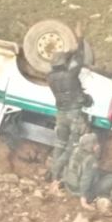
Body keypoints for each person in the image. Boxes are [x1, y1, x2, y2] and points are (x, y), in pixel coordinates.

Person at [46, 42, 89, 182]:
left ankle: (53, 175)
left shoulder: (50, 77)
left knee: (59, 144)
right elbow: (80, 59)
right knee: (73, 147)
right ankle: (64, 175)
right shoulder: (70, 75)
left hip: (60, 114)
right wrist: (79, 41)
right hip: (74, 113)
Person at [62, 133, 112, 206]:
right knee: (110, 180)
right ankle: (99, 196)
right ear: (90, 146)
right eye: (95, 143)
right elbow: (86, 180)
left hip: (70, 186)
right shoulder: (91, 160)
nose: (97, 145)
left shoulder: (76, 150)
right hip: (79, 191)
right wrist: (83, 199)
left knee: (104, 173)